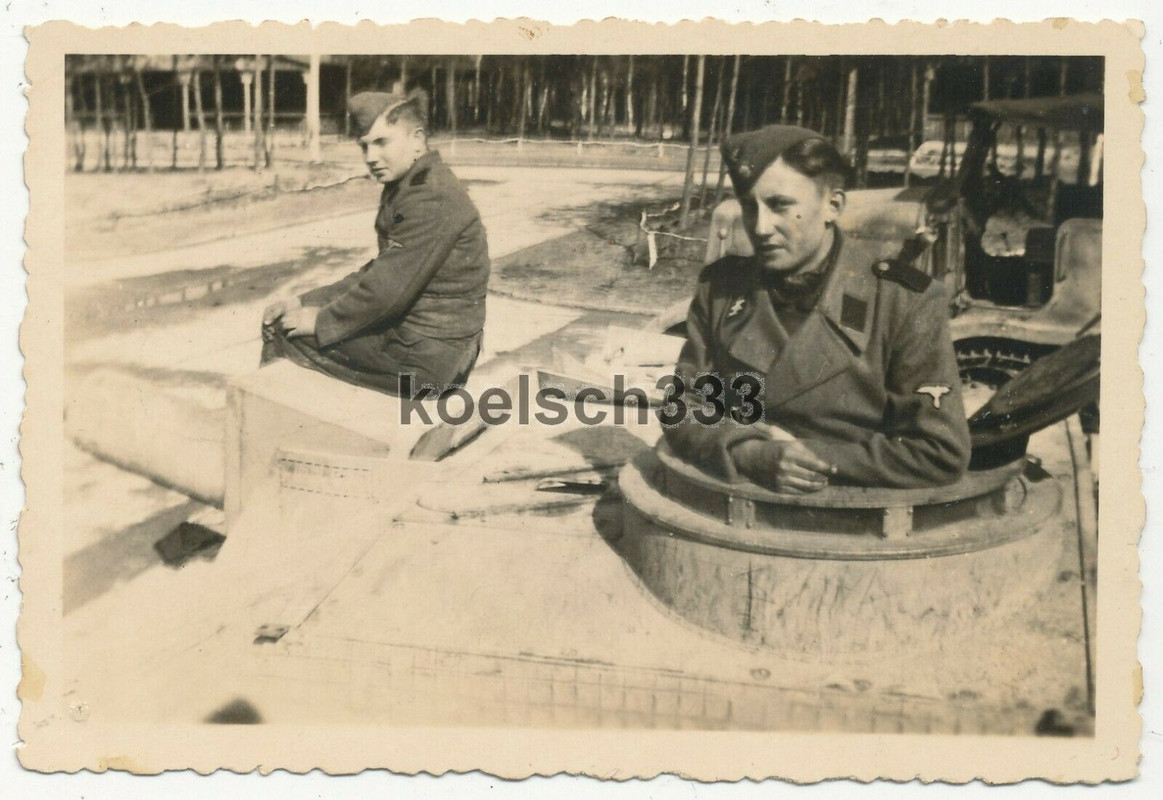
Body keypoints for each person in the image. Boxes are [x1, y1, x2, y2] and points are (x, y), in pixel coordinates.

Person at [663, 124, 971, 493]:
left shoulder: (903, 300)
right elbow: (684, 405)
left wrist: (808, 456)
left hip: (848, 520)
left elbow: (940, 451)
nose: (760, 227)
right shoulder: (721, 288)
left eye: (780, 205)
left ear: (832, 206)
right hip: (738, 499)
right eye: (749, 206)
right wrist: (748, 453)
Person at [260, 89, 490, 395]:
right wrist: (306, 302)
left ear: (418, 140)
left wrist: (321, 321)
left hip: (428, 359)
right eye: (364, 146)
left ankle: (267, 436)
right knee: (295, 319)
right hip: (436, 348)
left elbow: (385, 292)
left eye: (382, 143)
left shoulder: (429, 197)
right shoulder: (412, 185)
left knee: (282, 332)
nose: (370, 158)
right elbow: (379, 271)